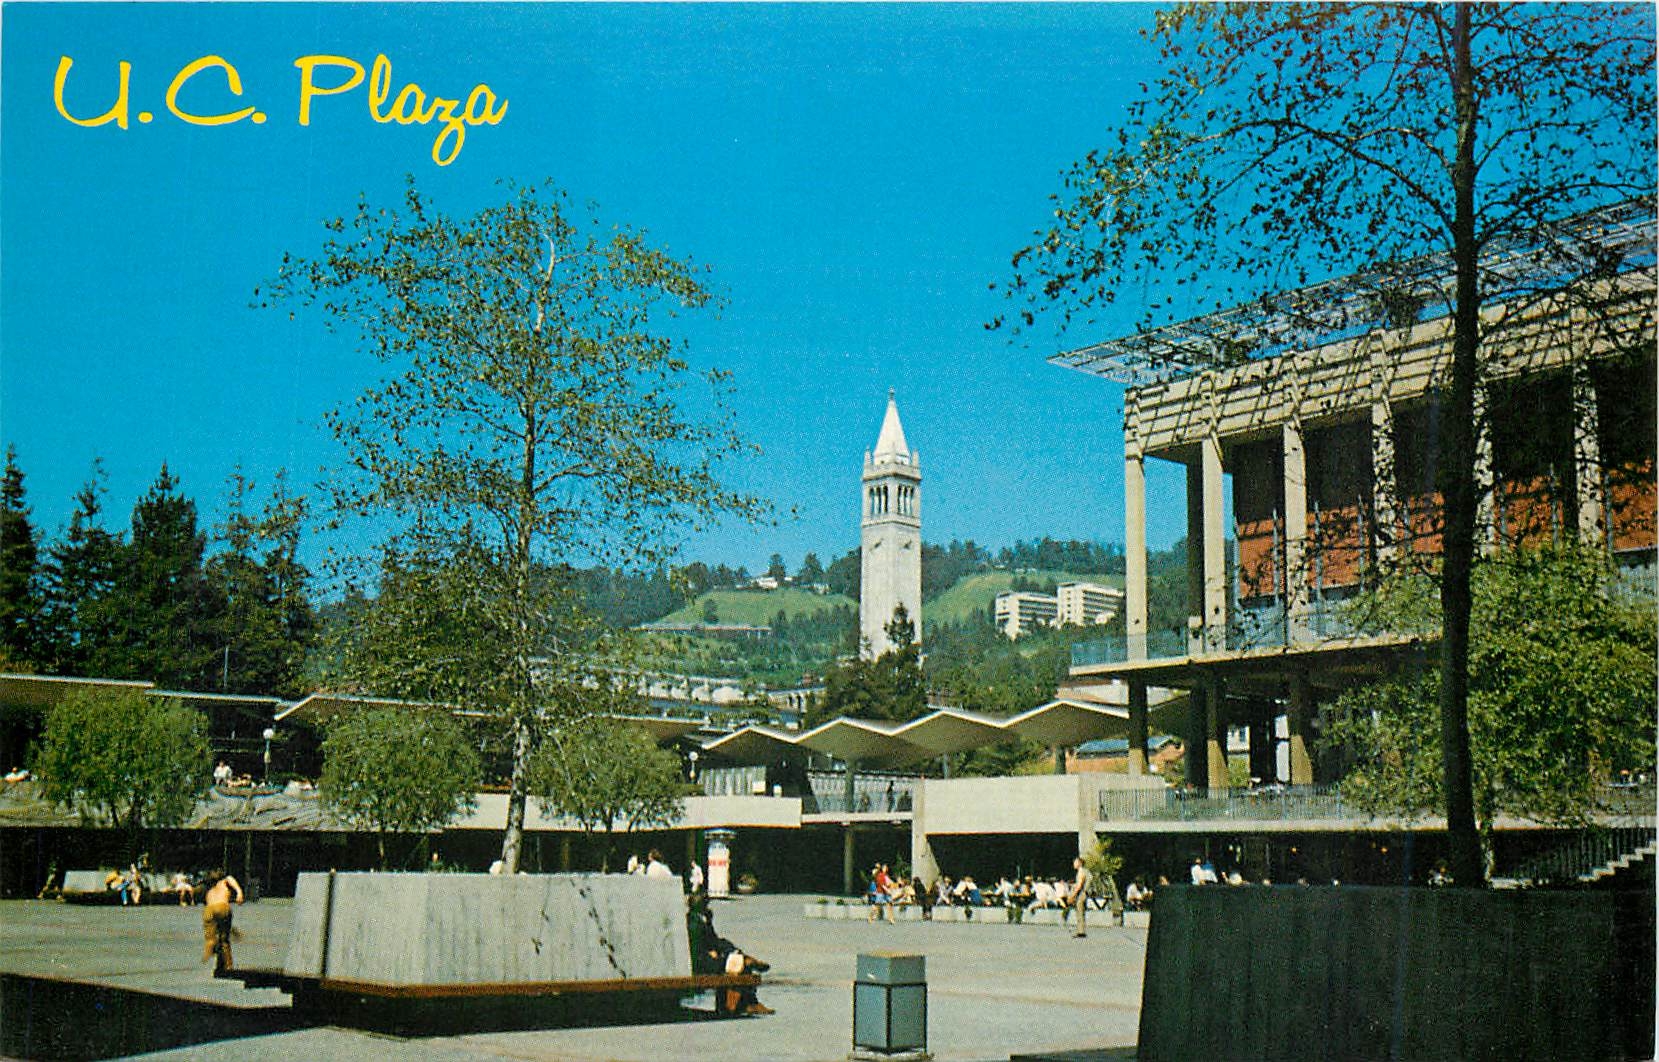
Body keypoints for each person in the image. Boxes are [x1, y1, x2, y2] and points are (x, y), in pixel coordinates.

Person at [686, 892, 772, 1016]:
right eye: (706, 904)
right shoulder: (694, 922)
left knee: (740, 966)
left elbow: (715, 941)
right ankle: (744, 1003)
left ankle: (747, 1003)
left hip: (709, 959)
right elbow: (697, 948)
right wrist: (712, 953)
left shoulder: (700, 919)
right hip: (702, 962)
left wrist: (730, 949)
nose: (708, 907)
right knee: (742, 966)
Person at [200, 868, 244, 975]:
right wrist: (239, 892)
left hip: (209, 910)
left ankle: (212, 946)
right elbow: (232, 881)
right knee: (224, 939)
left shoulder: (209, 887)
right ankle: (227, 965)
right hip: (222, 907)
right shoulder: (225, 881)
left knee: (211, 937)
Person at [1067, 856, 1092, 938]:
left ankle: (1081, 931)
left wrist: (1072, 896)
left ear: (1080, 863)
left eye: (1075, 862)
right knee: (1080, 911)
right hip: (1084, 893)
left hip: (1082, 893)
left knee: (1079, 911)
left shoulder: (1081, 872)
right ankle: (1080, 930)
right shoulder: (1085, 871)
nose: (1074, 864)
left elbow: (1079, 885)